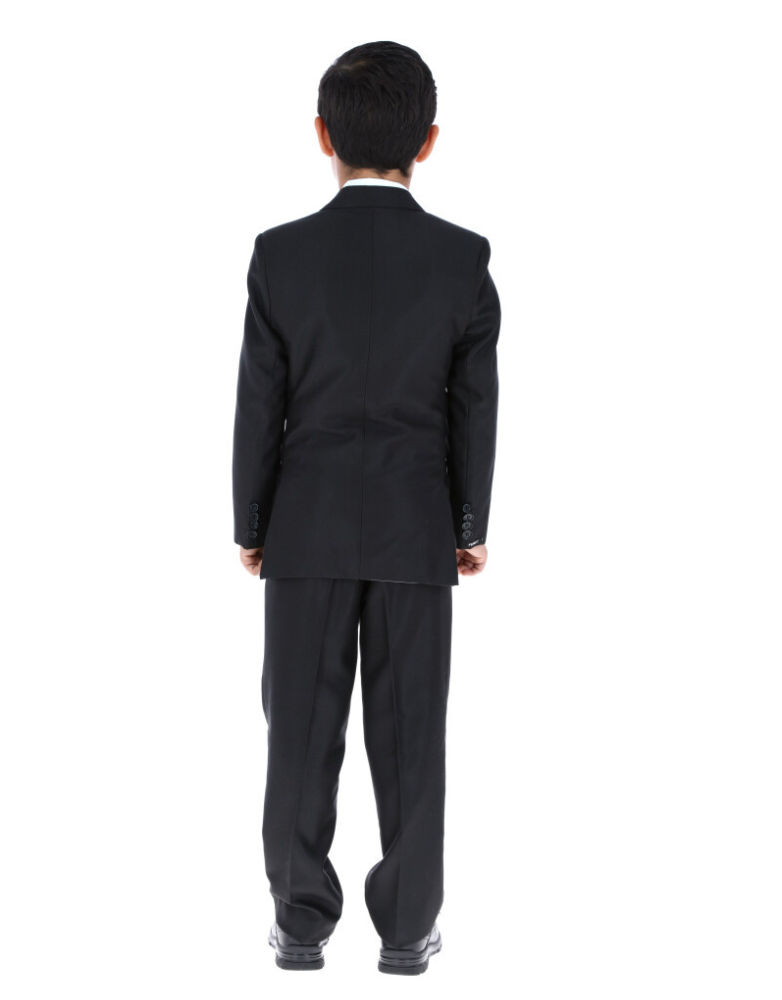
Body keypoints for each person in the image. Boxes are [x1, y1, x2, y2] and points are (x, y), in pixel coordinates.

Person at [231, 40, 501, 976]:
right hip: (416, 529)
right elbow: (474, 406)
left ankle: (300, 923)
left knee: (300, 737)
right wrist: (468, 526)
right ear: (428, 142)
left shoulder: (280, 255)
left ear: (322, 136)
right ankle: (407, 931)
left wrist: (253, 525)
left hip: (303, 529)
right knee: (412, 737)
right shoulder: (463, 260)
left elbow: (259, 403)